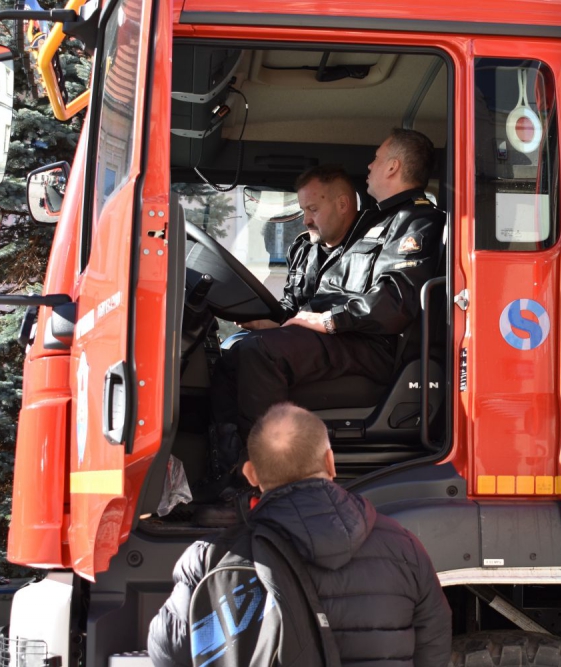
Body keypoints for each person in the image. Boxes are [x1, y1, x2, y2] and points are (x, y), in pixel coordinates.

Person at [148, 402, 453, 667]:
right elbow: (434, 648)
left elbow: (167, 652)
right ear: (330, 462)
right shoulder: (405, 547)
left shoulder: (207, 560)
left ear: (251, 474)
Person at [212, 130, 445, 441]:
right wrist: (277, 321)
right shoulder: (371, 223)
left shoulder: (417, 221)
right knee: (233, 353)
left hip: (369, 343)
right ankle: (228, 460)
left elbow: (395, 301)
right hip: (343, 335)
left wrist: (328, 321)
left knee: (259, 352)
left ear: (393, 167)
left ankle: (268, 462)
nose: (369, 166)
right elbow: (322, 296)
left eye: (376, 159)